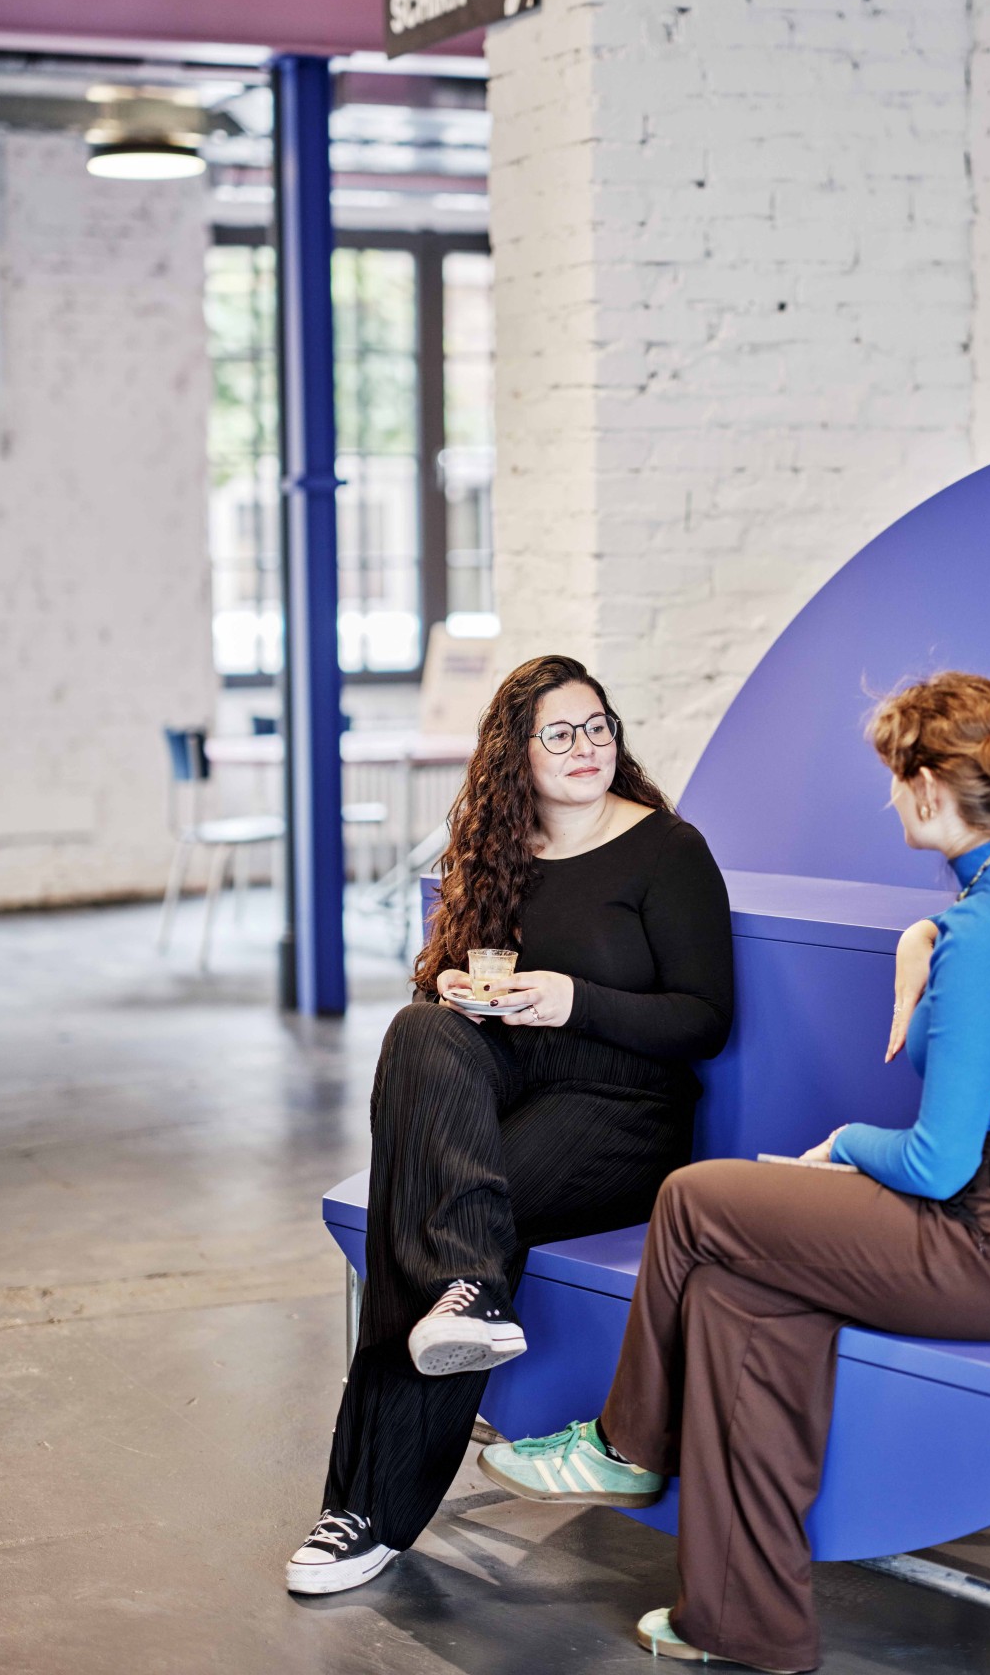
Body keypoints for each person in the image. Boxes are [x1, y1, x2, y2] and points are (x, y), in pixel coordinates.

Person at [480, 670, 990, 1673]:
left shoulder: (984, 937)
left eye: (892, 779)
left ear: (924, 789)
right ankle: (744, 1622)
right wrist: (928, 936)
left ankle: (623, 1447)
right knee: (743, 1295)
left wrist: (840, 1149)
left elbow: (935, 1160)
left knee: (696, 1200)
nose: (886, 798)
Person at [285, 655, 734, 1596]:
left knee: (423, 1217)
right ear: (515, 755)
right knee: (419, 1024)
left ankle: (364, 1512)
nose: (586, 748)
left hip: (619, 1113)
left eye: (599, 726)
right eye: (560, 733)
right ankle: (470, 1299)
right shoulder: (499, 848)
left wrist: (575, 999)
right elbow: (452, 991)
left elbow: (704, 1017)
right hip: (511, 1096)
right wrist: (448, 984)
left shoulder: (666, 851)